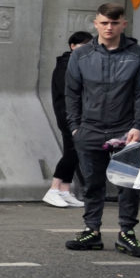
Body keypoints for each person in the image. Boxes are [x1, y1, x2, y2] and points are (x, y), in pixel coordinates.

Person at [64, 2, 140, 257]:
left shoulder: (138, 55)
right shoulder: (81, 56)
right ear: (95, 24)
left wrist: (138, 126)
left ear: (123, 24)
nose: (109, 28)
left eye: (115, 23)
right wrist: (74, 128)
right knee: (92, 184)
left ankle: (127, 234)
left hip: (126, 129)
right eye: (104, 23)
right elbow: (71, 93)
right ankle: (91, 231)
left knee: (128, 185)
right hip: (89, 129)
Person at [44, 30, 95, 208]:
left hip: (78, 115)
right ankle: (53, 189)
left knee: (73, 151)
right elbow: (71, 92)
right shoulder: (66, 65)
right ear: (72, 46)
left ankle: (64, 190)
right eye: (82, 46)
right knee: (73, 150)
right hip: (68, 114)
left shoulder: (79, 64)